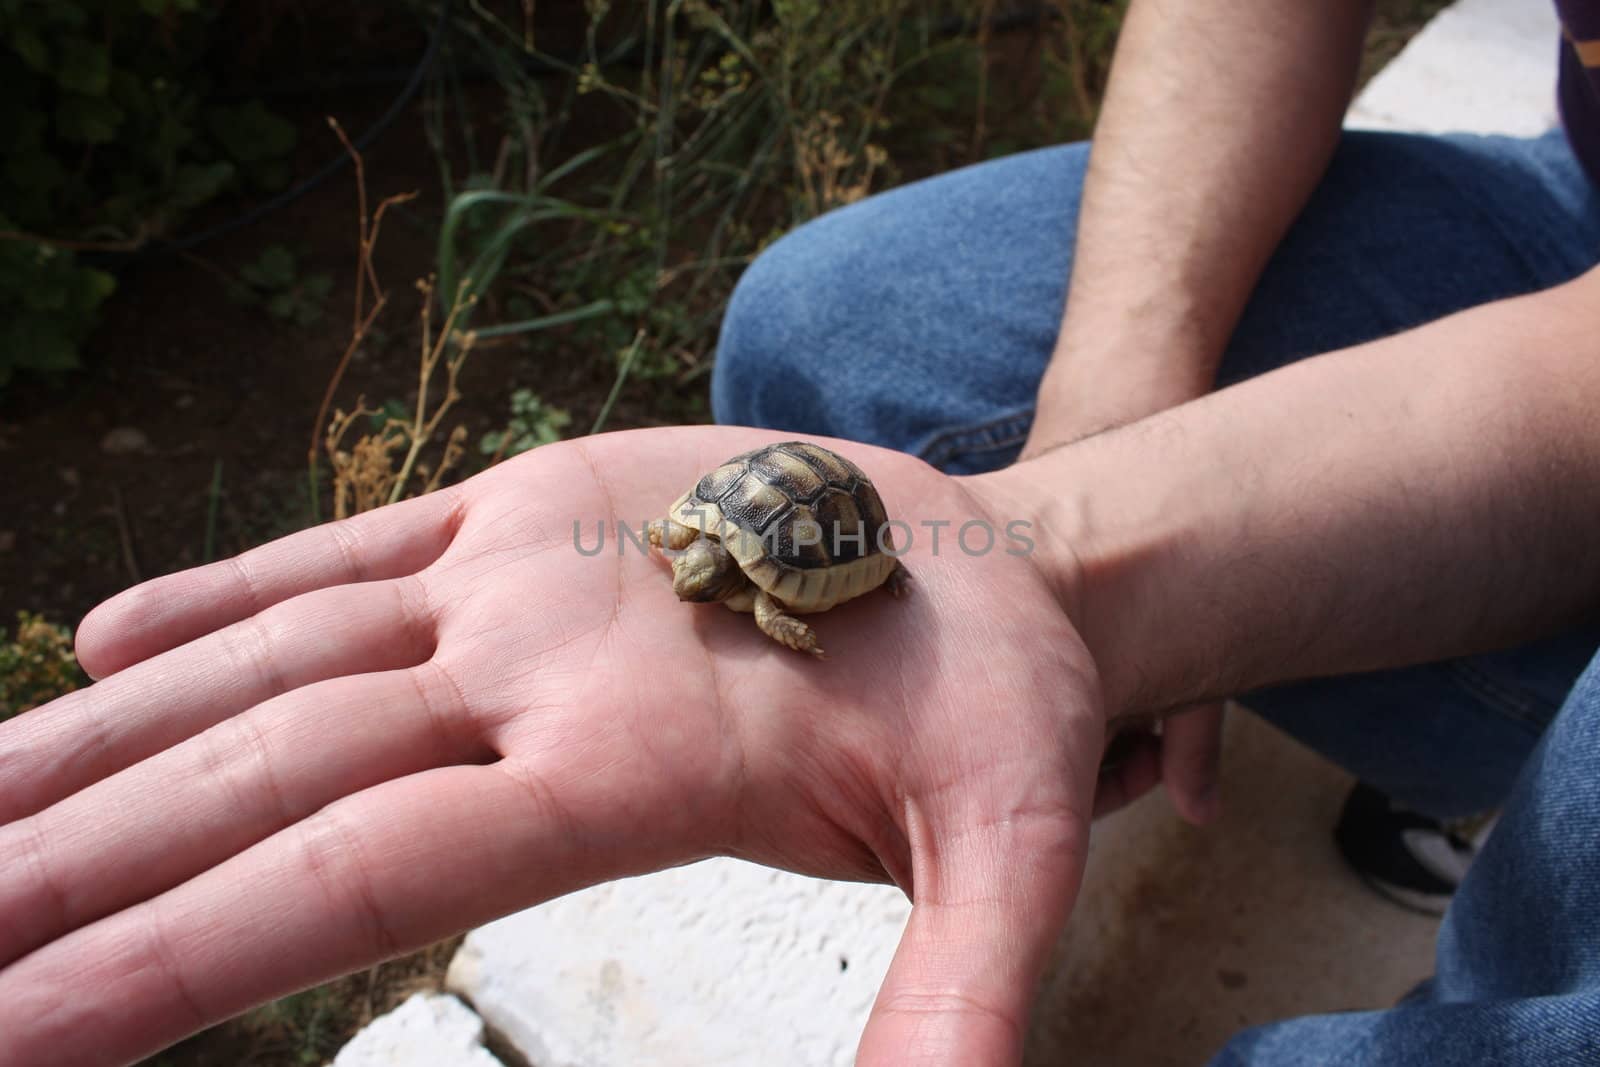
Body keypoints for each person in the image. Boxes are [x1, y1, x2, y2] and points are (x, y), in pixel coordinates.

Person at [0, 6, 1597, 1067]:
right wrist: (1078, 480)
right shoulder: (709, 541)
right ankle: (1468, 722)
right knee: (832, 325)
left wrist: (1012, 576)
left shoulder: (766, 585)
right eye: (696, 564)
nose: (693, 579)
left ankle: (1503, 831)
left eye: (706, 571)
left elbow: (788, 591)